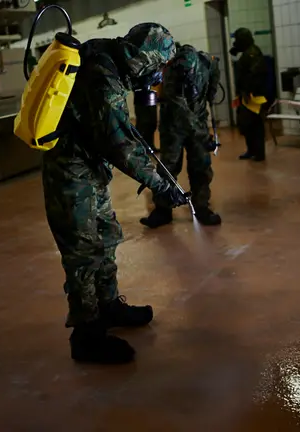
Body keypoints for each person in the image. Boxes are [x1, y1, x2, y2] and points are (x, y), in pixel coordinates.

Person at [43, 23, 186, 365]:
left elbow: (117, 131)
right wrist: (163, 185)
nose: (156, 77)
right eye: (157, 67)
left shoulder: (108, 58)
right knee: (83, 252)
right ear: (145, 58)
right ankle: (86, 335)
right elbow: (119, 143)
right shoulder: (102, 76)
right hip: (71, 175)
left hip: (89, 169)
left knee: (105, 237)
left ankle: (106, 307)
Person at [140, 43, 222, 228]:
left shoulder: (206, 62)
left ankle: (202, 208)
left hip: (197, 122)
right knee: (168, 168)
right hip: (173, 126)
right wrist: (203, 136)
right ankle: (163, 210)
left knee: (201, 166)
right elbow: (179, 107)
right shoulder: (171, 69)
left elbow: (212, 86)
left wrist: (210, 94)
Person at [229, 28, 268, 162]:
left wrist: (247, 91)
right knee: (246, 125)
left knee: (255, 125)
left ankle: (258, 152)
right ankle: (251, 150)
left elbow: (254, 75)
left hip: (253, 96)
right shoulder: (247, 52)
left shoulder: (253, 53)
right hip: (245, 95)